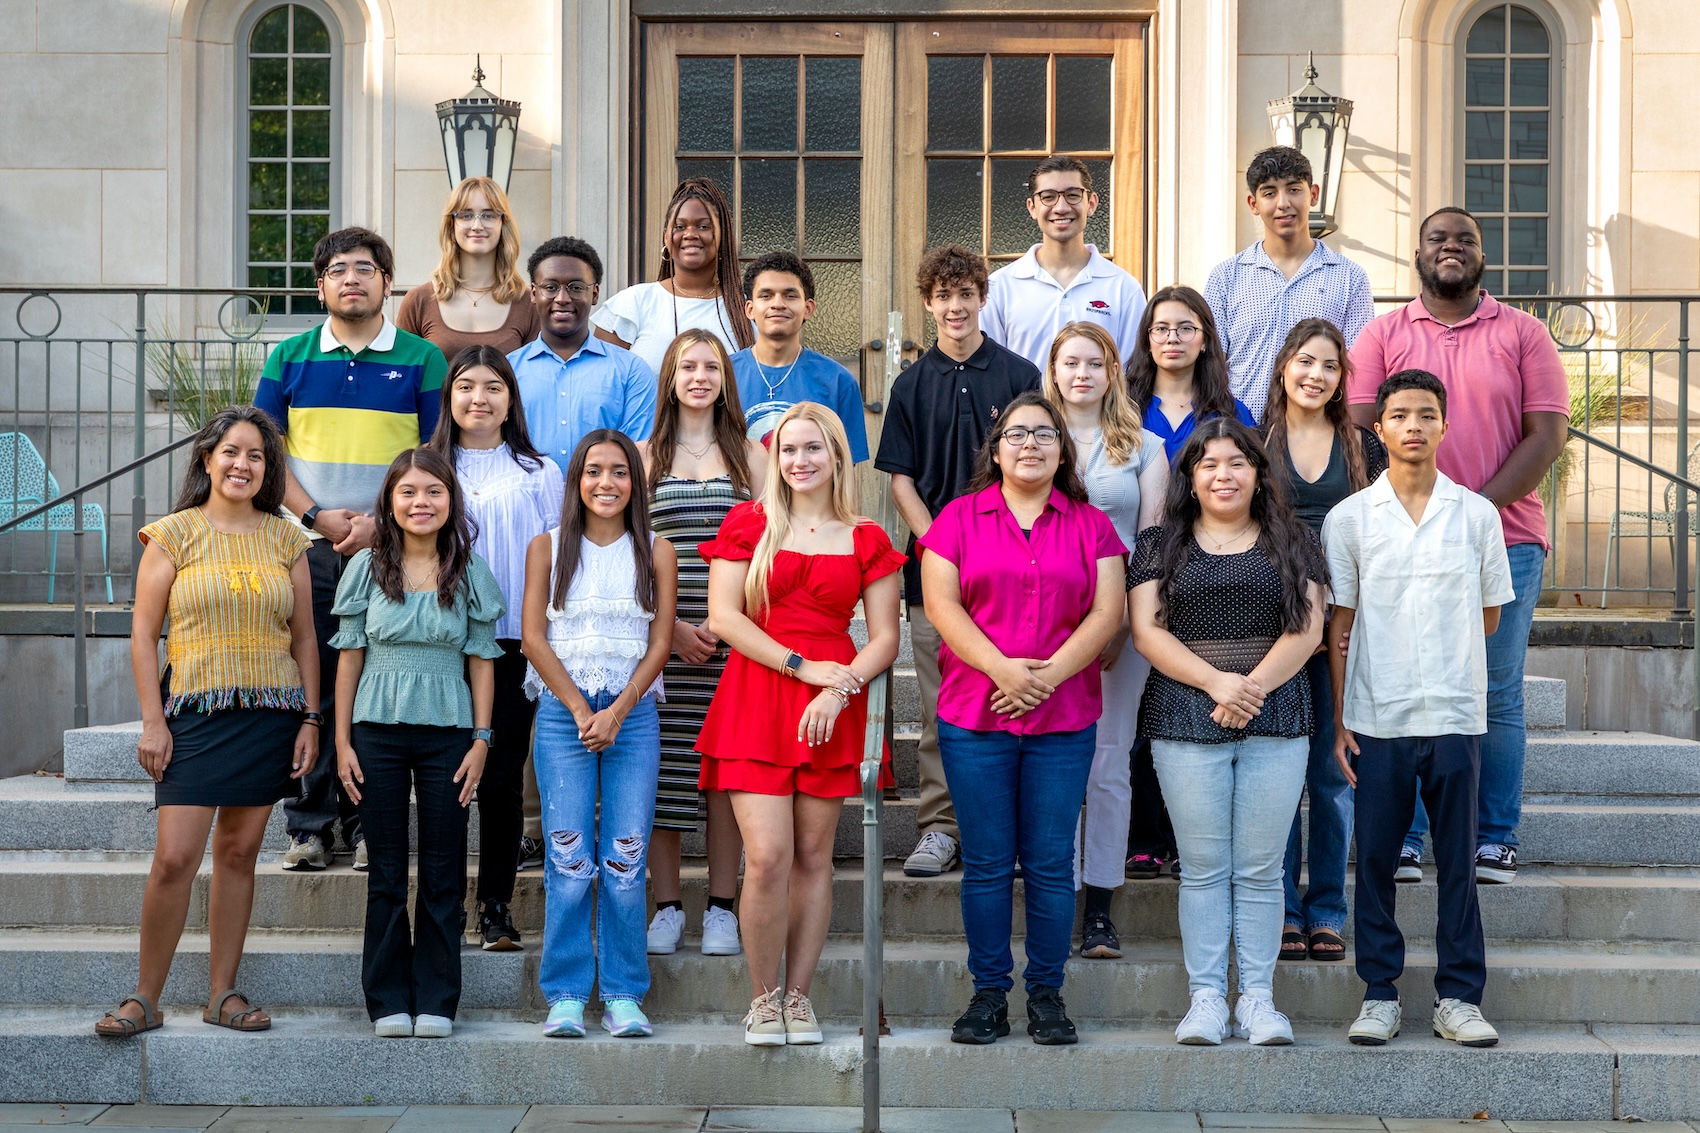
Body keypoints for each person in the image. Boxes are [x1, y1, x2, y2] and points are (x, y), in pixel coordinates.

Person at [1346, 206, 1569, 885]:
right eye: (1438, 238)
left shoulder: (1524, 333)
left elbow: (1546, 436)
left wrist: (1467, 512)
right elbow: (1359, 428)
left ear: (1482, 254)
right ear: (1418, 253)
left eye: (1464, 239)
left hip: (1504, 537)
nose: (1451, 247)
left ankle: (1493, 835)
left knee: (1494, 689)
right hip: (1398, 540)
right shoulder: (1384, 333)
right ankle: (1407, 836)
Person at [96, 407, 320, 1038]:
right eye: (231, 453)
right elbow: (144, 636)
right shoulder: (172, 535)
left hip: (270, 715)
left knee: (241, 852)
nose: (242, 465)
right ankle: (144, 997)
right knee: (173, 857)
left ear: (268, 468)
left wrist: (310, 718)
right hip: (192, 715)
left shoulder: (288, 539)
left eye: (255, 456)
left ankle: (222, 994)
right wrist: (152, 722)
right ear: (206, 459)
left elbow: (304, 636)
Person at [919, 391, 1126, 1046]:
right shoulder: (956, 519)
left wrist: (1047, 676)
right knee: (985, 863)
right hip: (975, 716)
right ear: (996, 448)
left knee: (1045, 860)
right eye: (1016, 434)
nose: (1030, 443)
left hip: (1063, 720)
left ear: (1063, 449)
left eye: (1044, 433)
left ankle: (1045, 992)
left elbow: (1107, 613)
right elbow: (942, 608)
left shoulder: (1091, 525)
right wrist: (1006, 671)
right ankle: (987, 993)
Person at [696, 402, 904, 1046]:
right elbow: (725, 618)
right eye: (788, 450)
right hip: (760, 692)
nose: (800, 461)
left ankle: (799, 999)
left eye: (813, 448)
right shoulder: (749, 523)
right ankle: (762, 1000)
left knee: (814, 857)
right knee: (767, 857)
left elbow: (886, 640)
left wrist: (837, 691)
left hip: (831, 705)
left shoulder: (865, 535)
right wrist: (800, 667)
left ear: (837, 456)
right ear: (774, 457)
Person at [1326, 370, 1514, 1049]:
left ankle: (1459, 995)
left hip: (1456, 713)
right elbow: (1340, 621)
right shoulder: (1351, 520)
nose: (1412, 425)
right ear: (1379, 429)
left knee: (1459, 861)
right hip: (1379, 716)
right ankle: (1379, 993)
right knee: (1374, 858)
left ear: (1444, 424)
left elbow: (1490, 616)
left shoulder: (1477, 515)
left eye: (1425, 414)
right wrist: (1343, 717)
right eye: (1398, 414)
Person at [1128, 418, 1327, 1047]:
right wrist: (1218, 683)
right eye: (1208, 463)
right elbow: (1146, 631)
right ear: (1189, 475)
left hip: (1278, 715)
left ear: (1259, 473)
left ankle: (1260, 1001)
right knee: (1206, 868)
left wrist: (1253, 688)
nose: (1223, 474)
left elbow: (1310, 629)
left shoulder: (1294, 539)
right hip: (1185, 717)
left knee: (1264, 869)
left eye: (1237, 463)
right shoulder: (1160, 544)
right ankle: (1208, 998)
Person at [255, 227, 447, 872]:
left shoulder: (423, 359)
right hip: (304, 544)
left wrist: (375, 524)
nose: (352, 279)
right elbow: (264, 455)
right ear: (321, 286)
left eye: (366, 268)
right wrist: (314, 513)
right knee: (309, 682)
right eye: (338, 270)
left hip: (390, 551)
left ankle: (368, 825)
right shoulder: (289, 357)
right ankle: (309, 824)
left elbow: (433, 456)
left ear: (387, 283)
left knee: (371, 685)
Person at [875, 244, 1042, 879]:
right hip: (937, 577)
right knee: (945, 708)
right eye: (943, 296)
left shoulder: (1020, 376)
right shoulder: (911, 385)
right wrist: (944, 549)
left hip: (1017, 572)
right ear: (928, 303)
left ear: (982, 298)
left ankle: (1012, 831)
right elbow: (902, 483)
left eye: (965, 293)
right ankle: (940, 828)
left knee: (1018, 696)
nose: (955, 306)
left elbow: (1038, 467)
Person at [331, 447, 504, 1039]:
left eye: (433, 491)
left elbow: (483, 660)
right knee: (384, 869)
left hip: (449, 735)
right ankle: (386, 1000)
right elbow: (349, 657)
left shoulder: (469, 570)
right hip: (374, 733)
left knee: (443, 867)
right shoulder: (366, 567)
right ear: (390, 501)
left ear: (450, 500)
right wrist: (343, 741)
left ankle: (436, 998)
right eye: (408, 492)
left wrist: (482, 740)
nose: (420, 502)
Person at [522, 429, 677, 1040]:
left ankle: (622, 992)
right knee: (567, 856)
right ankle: (564, 992)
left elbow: (661, 642)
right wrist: (582, 708)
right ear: (576, 481)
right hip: (565, 715)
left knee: (624, 859)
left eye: (618, 472)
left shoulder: (656, 550)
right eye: (593, 471)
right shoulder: (548, 547)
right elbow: (534, 637)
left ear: (634, 484)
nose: (606, 483)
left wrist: (617, 712)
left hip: (632, 717)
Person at [426, 345, 563, 952]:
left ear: (511, 399)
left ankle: (497, 905)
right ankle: (445, 904)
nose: (478, 398)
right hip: (439, 645)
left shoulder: (540, 471)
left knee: (502, 776)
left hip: (514, 642)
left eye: (492, 387)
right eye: (465, 387)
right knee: (444, 776)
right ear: (449, 397)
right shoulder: (427, 467)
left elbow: (561, 560)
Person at [1260, 318, 1387, 965]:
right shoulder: (1255, 444)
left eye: (1329, 365)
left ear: (1342, 377)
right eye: (1304, 361)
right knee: (1280, 774)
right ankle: (1281, 908)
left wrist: (1342, 619)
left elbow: (1383, 538)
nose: (1315, 374)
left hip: (1345, 629)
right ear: (1284, 366)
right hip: (1271, 629)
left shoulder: (1364, 446)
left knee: (1334, 771)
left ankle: (1326, 909)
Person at [1040, 323, 1167, 960]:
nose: (1082, 374)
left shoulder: (1143, 447)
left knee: (1108, 761)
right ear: (1054, 371)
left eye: (1095, 362)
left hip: (1119, 628)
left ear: (1113, 370)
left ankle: (1099, 904)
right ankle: (1051, 891)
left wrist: (1120, 623)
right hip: (1042, 625)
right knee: (1049, 764)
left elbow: (1150, 542)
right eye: (1071, 363)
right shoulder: (1033, 438)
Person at [639, 329, 768, 958]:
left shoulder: (753, 457)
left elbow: (774, 549)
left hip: (735, 641)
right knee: (660, 774)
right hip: (661, 642)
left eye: (710, 366)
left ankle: (722, 907)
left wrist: (731, 621)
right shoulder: (642, 458)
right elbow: (629, 556)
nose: (698, 376)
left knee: (723, 776)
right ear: (669, 377)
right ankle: (666, 907)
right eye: (686, 366)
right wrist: (668, 629)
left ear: (725, 377)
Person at [1204, 146, 1375, 419]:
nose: (1283, 203)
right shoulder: (1226, 277)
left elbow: (1357, 369)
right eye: (1270, 193)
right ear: (1253, 204)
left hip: (1318, 436)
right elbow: (1211, 367)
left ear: (1314, 194)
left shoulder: (1349, 278)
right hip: (1241, 437)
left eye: (1294, 189)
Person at [984, 155, 1148, 369]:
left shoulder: (1123, 289)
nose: (1061, 207)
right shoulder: (1000, 287)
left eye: (1072, 195)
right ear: (1032, 207)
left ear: (1091, 203)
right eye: (1048, 197)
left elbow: (1132, 376)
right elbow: (992, 374)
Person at [512, 237, 658, 472]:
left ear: (595, 293)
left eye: (576, 287)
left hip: (603, 505)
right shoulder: (508, 371)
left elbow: (636, 459)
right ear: (533, 293)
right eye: (550, 287)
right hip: (527, 507)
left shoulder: (631, 372)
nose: (562, 298)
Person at [593, 177, 754, 373]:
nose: (690, 234)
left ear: (723, 235)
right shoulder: (632, 305)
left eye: (703, 226)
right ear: (666, 237)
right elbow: (601, 387)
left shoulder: (747, 311)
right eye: (680, 227)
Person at [732, 251, 870, 463]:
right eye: (766, 295)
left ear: (808, 308)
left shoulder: (837, 381)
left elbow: (844, 473)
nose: (777, 304)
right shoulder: (722, 374)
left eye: (790, 295)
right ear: (750, 309)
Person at [397, 176, 539, 360]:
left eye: (488, 215)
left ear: (503, 224)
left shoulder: (529, 304)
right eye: (466, 215)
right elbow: (402, 378)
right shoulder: (418, 302)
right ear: (451, 225)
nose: (477, 226)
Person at [1127, 285, 1257, 464]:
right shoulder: (1124, 407)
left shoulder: (1232, 413)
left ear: (1205, 341)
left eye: (1186, 328)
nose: (1172, 338)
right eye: (1161, 329)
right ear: (1147, 341)